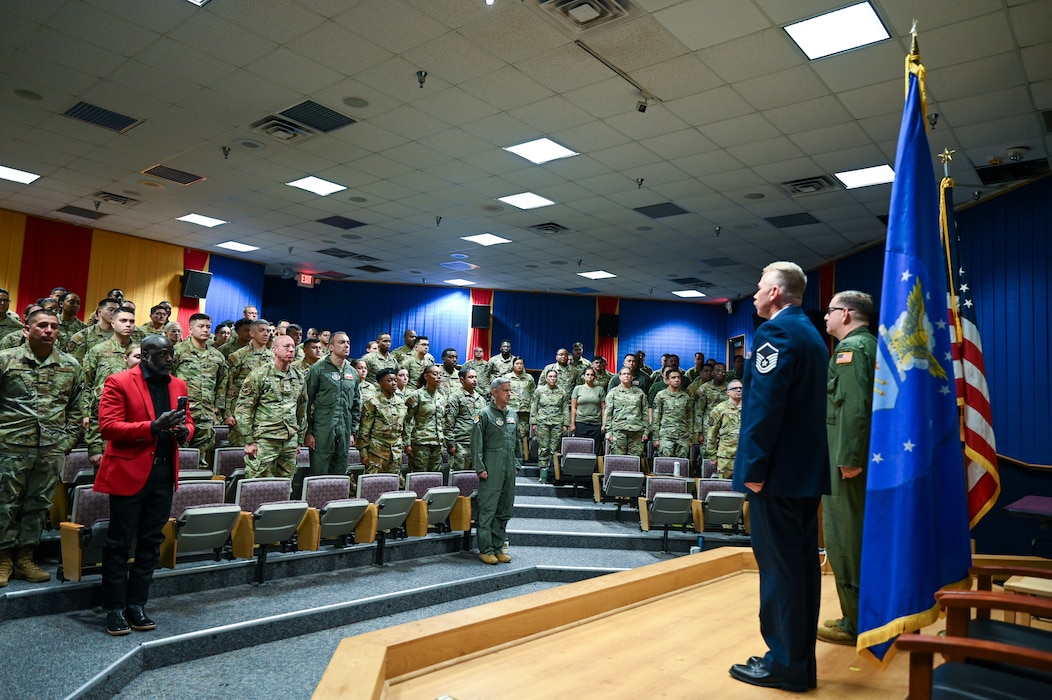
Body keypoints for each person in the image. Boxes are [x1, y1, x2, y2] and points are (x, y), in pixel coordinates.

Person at [729, 261, 829, 693]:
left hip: (776, 475)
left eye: (757, 286)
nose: (753, 294)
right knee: (801, 570)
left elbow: (764, 408)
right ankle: (797, 661)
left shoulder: (777, 333)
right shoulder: (812, 333)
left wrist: (753, 468)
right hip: (803, 473)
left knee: (779, 572)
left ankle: (785, 665)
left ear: (773, 291)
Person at [94, 335, 193, 636]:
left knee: (151, 542)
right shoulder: (119, 381)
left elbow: (189, 422)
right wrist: (152, 427)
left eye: (171, 353)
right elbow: (108, 426)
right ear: (146, 356)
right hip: (129, 472)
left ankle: (137, 604)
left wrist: (183, 432)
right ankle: (114, 607)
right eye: (162, 354)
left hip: (163, 474)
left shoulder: (178, 384)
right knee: (119, 543)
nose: (169, 359)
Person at [0, 309, 84, 587]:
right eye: (42, 325)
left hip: (50, 449)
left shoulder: (70, 365)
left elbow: (76, 408)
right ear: (27, 329)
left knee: (38, 505)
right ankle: (3, 558)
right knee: (5, 503)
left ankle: (25, 557)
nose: (49, 330)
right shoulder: (6, 360)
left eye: (54, 326)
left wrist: (68, 441)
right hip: (10, 445)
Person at [819, 291, 877, 646]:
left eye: (829, 312)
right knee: (857, 535)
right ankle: (865, 613)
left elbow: (854, 407)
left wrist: (849, 458)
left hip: (848, 459)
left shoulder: (851, 350)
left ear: (846, 313)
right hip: (861, 456)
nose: (825, 318)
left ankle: (854, 621)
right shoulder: (871, 344)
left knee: (845, 538)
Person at [234, 335, 306, 479]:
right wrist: (249, 441)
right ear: (274, 350)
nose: (291, 350)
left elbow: (301, 410)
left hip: (289, 439)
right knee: (259, 484)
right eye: (286, 346)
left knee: (285, 484)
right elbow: (244, 409)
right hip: (265, 438)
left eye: (293, 347)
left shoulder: (299, 377)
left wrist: (299, 440)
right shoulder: (259, 375)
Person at [471, 376, 521, 565]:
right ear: (495, 393)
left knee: (505, 508)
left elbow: (517, 441)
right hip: (491, 467)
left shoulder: (512, 414)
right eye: (506, 390)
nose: (510, 393)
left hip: (508, 467)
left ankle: (499, 547)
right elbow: (476, 443)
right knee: (488, 509)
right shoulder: (483, 414)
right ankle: (486, 549)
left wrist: (517, 462)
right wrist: (480, 467)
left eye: (510, 390)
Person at [81, 306, 139, 466]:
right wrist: (85, 414)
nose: (128, 325)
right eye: (123, 321)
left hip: (135, 424)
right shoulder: (98, 351)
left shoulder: (141, 352)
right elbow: (86, 385)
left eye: (132, 321)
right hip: (103, 420)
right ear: (113, 323)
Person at [173, 313, 227, 470]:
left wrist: (217, 409)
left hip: (206, 414)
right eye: (201, 326)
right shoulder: (177, 352)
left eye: (208, 327)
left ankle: (197, 491)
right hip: (181, 414)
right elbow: (169, 380)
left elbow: (222, 383)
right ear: (190, 329)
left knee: (201, 460)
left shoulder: (217, 356)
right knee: (179, 456)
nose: (205, 330)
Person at [305, 332, 360, 476]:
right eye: (341, 342)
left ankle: (336, 499)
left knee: (340, 470)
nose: (346, 345)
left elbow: (355, 404)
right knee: (319, 471)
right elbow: (306, 402)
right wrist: (308, 432)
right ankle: (316, 499)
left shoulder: (353, 373)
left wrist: (352, 431)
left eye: (348, 342)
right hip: (322, 429)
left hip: (344, 429)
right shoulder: (318, 369)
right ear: (330, 347)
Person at [222, 319, 273, 446]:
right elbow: (228, 385)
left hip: (265, 413)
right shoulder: (239, 355)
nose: (266, 334)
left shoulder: (273, 358)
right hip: (241, 411)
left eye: (268, 331)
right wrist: (227, 413)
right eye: (261, 331)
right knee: (241, 450)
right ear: (252, 333)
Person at [357, 367, 407, 482]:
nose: (394, 383)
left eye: (395, 380)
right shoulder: (372, 402)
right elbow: (364, 430)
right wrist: (363, 452)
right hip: (377, 451)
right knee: (373, 483)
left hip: (395, 451)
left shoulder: (401, 402)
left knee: (394, 484)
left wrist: (404, 445)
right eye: (389, 380)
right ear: (380, 383)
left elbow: (405, 428)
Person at [402, 364, 446, 472]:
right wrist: (406, 443)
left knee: (435, 476)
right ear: (426, 376)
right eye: (435, 374)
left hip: (437, 442)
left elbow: (443, 420)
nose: (438, 377)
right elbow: (405, 420)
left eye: (440, 374)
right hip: (421, 442)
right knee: (420, 475)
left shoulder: (441, 397)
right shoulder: (416, 395)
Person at [444, 367, 486, 470]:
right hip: (461, 444)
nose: (475, 380)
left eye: (476, 377)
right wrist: (450, 444)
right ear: (462, 380)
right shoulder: (455, 397)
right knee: (459, 477)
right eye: (471, 377)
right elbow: (448, 423)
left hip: (477, 445)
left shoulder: (481, 399)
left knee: (475, 478)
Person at [531, 369, 569, 480]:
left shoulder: (562, 391)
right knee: (543, 448)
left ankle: (553, 473)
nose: (552, 379)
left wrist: (566, 424)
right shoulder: (539, 391)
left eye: (554, 377)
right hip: (542, 422)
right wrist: (533, 422)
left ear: (557, 378)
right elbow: (534, 406)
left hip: (557, 423)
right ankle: (543, 475)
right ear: (546, 378)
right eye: (550, 376)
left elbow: (565, 408)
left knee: (555, 449)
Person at [603, 367, 648, 458]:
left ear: (632, 377)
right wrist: (608, 432)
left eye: (629, 374)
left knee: (635, 459)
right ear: (619, 377)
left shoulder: (639, 393)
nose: (626, 376)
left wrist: (646, 431)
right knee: (618, 458)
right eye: (624, 374)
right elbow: (608, 413)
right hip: (618, 430)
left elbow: (645, 412)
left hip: (637, 430)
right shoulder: (613, 392)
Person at [650, 368, 693, 459]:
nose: (676, 380)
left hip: (682, 436)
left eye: (678, 377)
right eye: (673, 378)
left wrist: (690, 438)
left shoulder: (685, 397)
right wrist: (656, 438)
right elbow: (656, 417)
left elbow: (690, 418)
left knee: (682, 464)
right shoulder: (661, 395)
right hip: (666, 436)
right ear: (667, 380)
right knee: (665, 463)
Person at [705, 379, 742, 478]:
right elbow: (711, 434)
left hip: (744, 455)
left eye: (741, 388)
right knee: (724, 487)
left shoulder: (750, 408)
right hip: (725, 456)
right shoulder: (719, 409)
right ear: (728, 392)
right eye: (735, 388)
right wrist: (712, 455)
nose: (738, 390)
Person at [570, 366, 604, 455]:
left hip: (596, 423)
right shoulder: (578, 389)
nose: (590, 377)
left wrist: (604, 425)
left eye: (592, 375)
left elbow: (603, 408)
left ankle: (593, 468)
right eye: (587, 374)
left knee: (595, 450)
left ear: (594, 377)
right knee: (581, 448)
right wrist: (572, 424)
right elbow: (574, 407)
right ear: (584, 376)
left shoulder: (600, 389)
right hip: (581, 422)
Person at [506, 356, 535, 457]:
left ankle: (522, 455)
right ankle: (509, 454)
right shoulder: (506, 377)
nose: (519, 366)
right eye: (517, 364)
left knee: (523, 434)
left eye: (521, 364)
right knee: (510, 432)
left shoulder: (529, 378)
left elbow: (533, 394)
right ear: (513, 365)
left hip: (524, 411)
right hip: (510, 410)